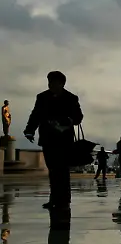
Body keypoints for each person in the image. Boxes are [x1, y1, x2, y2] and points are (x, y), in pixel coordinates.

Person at [24, 71, 83, 210]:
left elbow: (78, 117)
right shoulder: (42, 97)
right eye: (49, 81)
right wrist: (29, 130)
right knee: (53, 169)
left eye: (53, 82)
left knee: (62, 170)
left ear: (62, 83)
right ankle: (54, 198)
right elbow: (35, 115)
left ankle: (64, 199)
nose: (50, 84)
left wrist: (68, 120)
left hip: (64, 139)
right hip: (48, 138)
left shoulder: (71, 98)